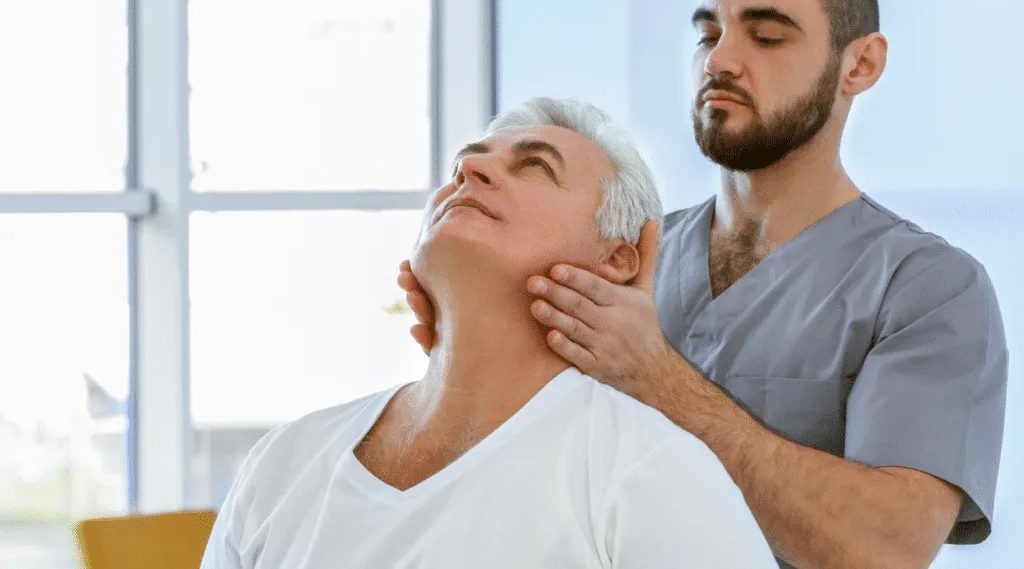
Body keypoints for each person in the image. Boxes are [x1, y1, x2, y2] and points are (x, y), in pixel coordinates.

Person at [399, 0, 1009, 569]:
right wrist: (459, 357)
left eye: (766, 35)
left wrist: (660, 381)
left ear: (859, 65)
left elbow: (883, 550)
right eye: (708, 34)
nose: (721, 61)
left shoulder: (927, 289)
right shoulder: (614, 256)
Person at [200, 99, 777, 568]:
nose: (469, 173)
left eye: (535, 166)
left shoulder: (653, 474)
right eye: (462, 166)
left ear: (618, 259)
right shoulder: (284, 463)